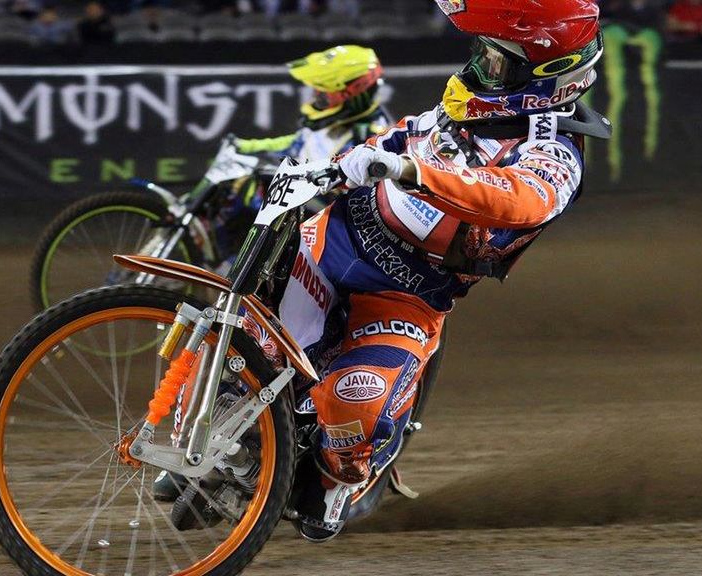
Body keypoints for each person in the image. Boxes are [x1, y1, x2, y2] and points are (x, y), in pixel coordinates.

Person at [274, 0, 610, 541]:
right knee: (237, 321)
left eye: (494, 61)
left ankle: (341, 477)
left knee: (353, 407)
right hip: (330, 239)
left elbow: (519, 199)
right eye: (481, 52)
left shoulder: (557, 151)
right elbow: (406, 133)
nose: (478, 68)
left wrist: (414, 172)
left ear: (547, 75)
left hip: (406, 296)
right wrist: (341, 166)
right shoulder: (471, 103)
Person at [213, 45, 393, 262]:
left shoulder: (369, 138)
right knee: (241, 185)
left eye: (324, 93)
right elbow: (296, 143)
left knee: (251, 191)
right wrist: (246, 146)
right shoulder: (333, 121)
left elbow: (348, 191)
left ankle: (238, 267)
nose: (317, 96)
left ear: (352, 93)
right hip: (301, 199)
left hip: (325, 219)